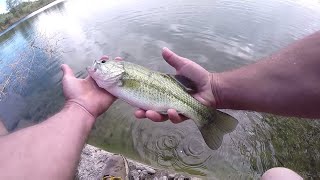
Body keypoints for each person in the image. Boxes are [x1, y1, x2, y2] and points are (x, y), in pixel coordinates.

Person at [2, 31, 320, 180]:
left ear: (117, 71)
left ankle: (206, 117)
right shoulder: (117, 78)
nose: (95, 66)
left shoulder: (121, 76)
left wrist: (80, 107)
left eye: (101, 62)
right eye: (96, 63)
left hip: (180, 97)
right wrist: (216, 89)